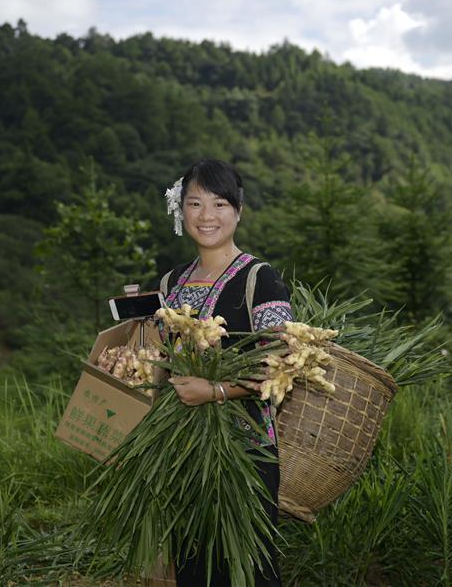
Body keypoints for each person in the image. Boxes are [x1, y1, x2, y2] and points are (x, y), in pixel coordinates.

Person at [157, 158, 293, 587]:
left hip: (245, 451)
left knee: (247, 568)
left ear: (238, 210)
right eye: (195, 204)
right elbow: (158, 357)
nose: (207, 216)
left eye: (219, 204)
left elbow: (280, 364)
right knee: (193, 564)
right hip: (182, 449)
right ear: (182, 211)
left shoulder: (260, 279)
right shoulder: (170, 283)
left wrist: (215, 390)